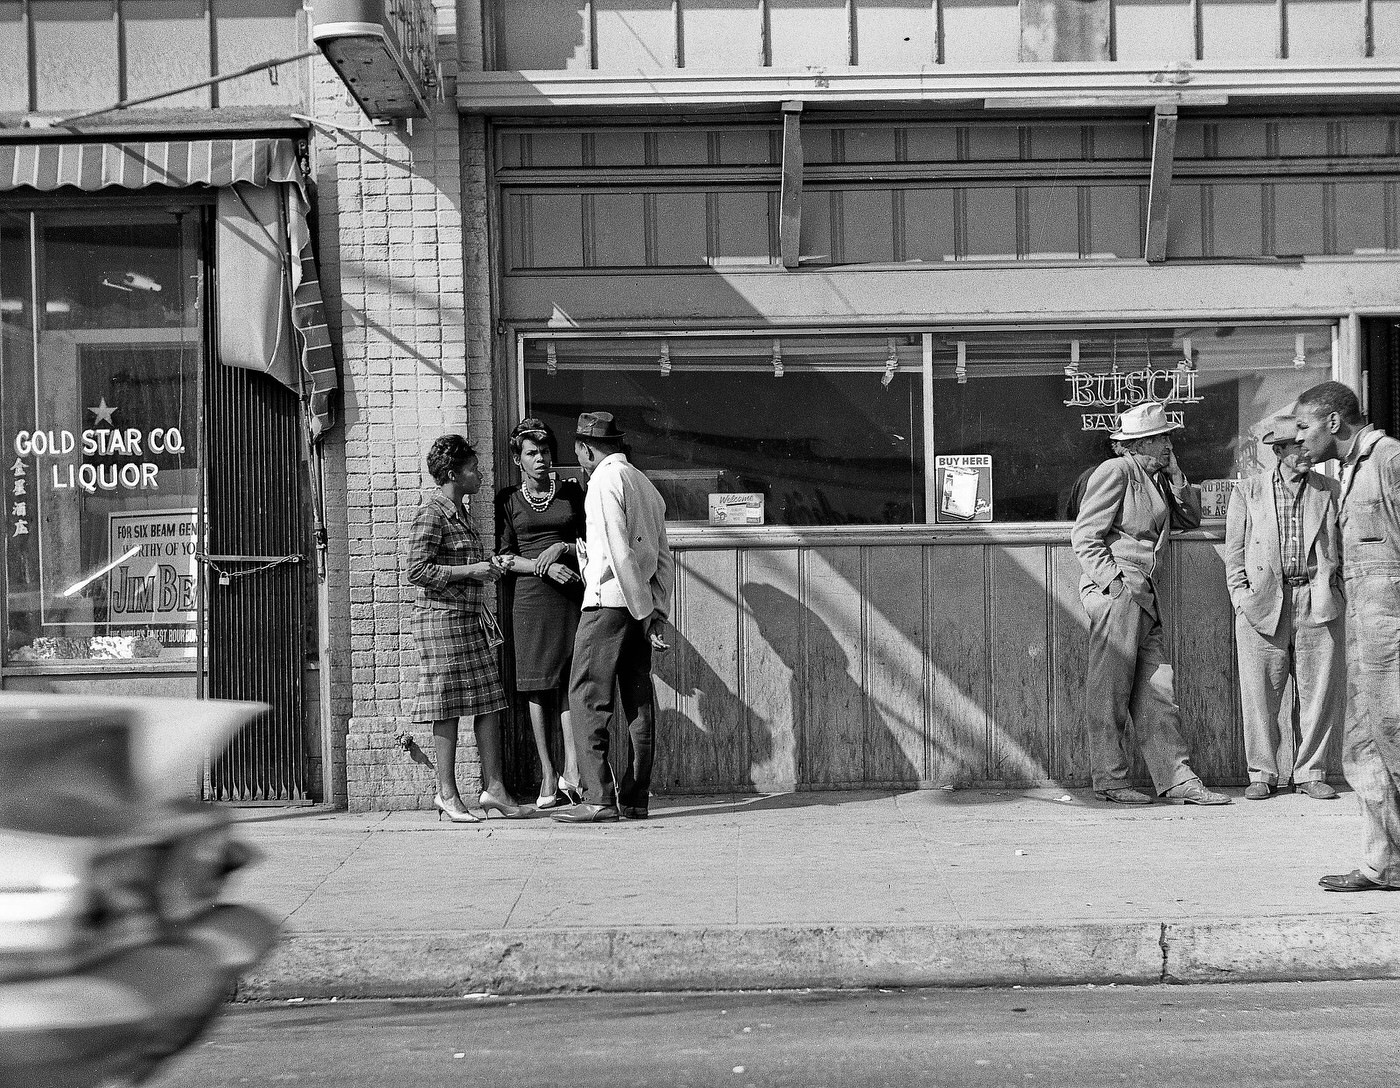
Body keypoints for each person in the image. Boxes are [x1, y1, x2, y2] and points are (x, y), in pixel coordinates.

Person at [1071, 401, 1230, 806]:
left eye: (1167, 437)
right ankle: (1110, 780)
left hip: (1145, 597)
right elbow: (1085, 536)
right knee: (1109, 691)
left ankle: (1178, 779)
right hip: (1122, 593)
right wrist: (1115, 584)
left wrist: (1177, 476)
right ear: (1138, 443)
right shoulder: (1117, 471)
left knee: (1158, 690)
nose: (1168, 444)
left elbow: (1191, 519)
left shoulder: (1155, 477)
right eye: (1161, 438)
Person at [1293, 381, 1400, 892]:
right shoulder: (1350, 472)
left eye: (1303, 427)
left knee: (1396, 743)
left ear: (1333, 422)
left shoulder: (1389, 460)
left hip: (1392, 636)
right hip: (1366, 634)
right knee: (1362, 749)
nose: (1298, 439)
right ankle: (1385, 864)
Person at [552, 411, 674, 824]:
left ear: (586, 449)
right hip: (638, 609)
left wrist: (636, 608)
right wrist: (653, 612)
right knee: (638, 703)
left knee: (586, 697)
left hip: (608, 603)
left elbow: (619, 552)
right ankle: (636, 798)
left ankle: (599, 798)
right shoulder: (646, 485)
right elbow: (662, 560)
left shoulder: (604, 480)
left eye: (578, 454)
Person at [1224, 413, 1343, 801]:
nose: (1307, 451)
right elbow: (1234, 556)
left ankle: (1311, 772)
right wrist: (1241, 598)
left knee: (1318, 692)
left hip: (1317, 600)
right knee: (1260, 695)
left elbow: (1343, 548)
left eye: (1307, 444)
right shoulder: (1249, 492)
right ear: (1279, 451)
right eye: (1298, 446)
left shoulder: (1330, 489)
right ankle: (1263, 772)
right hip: (1262, 603)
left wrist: (1336, 589)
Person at [405, 434, 522, 823]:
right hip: (441, 622)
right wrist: (470, 571)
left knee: (489, 701)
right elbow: (416, 570)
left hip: (469, 620)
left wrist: (489, 565)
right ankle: (447, 794)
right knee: (447, 707)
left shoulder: (462, 512)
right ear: (453, 473)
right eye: (473, 468)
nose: (480, 474)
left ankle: (494, 790)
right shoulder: (433, 512)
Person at [495, 418, 587, 810]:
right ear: (518, 459)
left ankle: (573, 772)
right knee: (536, 685)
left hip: (569, 596)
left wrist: (562, 550)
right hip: (530, 598)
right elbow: (502, 557)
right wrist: (541, 565)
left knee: (568, 680)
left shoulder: (570, 492)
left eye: (545, 451)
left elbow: (590, 539)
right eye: (532, 453)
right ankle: (547, 774)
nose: (541, 459)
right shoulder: (508, 500)